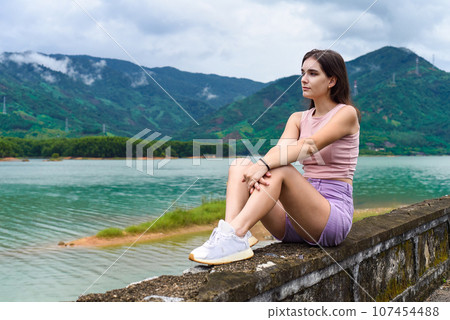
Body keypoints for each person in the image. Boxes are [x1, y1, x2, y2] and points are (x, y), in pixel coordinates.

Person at [189, 49, 360, 265]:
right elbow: (280, 151)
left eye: (313, 74)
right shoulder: (297, 118)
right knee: (240, 165)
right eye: (302, 73)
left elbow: (308, 147)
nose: (304, 80)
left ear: (332, 80)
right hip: (293, 218)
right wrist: (259, 166)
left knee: (281, 170)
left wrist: (263, 164)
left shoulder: (346, 114)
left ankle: (236, 232)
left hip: (329, 218)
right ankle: (231, 235)